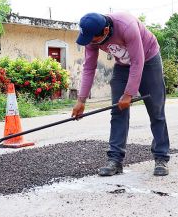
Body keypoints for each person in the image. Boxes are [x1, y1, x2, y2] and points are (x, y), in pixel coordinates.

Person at [71, 12, 170, 176]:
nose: (90, 42)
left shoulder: (127, 26)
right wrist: (81, 100)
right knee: (118, 111)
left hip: (148, 60)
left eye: (93, 39)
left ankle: (161, 157)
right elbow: (89, 67)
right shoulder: (90, 36)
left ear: (105, 31)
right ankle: (115, 160)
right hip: (123, 65)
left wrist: (129, 94)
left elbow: (138, 62)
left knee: (156, 110)